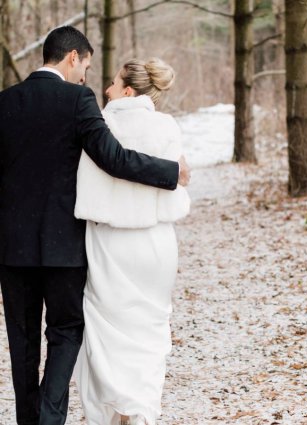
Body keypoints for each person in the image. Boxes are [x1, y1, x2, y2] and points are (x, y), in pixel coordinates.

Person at [0, 26, 189, 425]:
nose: (87, 76)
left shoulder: (5, 102)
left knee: (22, 342)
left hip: (11, 248)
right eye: (85, 64)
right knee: (65, 333)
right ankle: (50, 419)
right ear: (72, 57)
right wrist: (171, 172)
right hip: (64, 247)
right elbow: (113, 158)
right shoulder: (77, 100)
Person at [73, 58, 190, 425]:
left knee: (106, 331)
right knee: (150, 331)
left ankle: (113, 412)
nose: (105, 89)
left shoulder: (98, 126)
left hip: (110, 242)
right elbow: (181, 179)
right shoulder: (166, 125)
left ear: (126, 91)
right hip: (156, 244)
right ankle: (140, 412)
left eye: (111, 83)